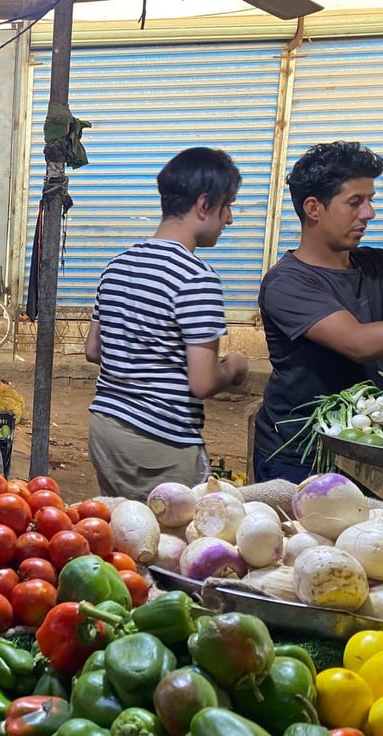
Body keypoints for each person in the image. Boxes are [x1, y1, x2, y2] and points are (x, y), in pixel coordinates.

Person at [85, 147, 249, 500]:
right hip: (161, 442)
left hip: (106, 431)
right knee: (168, 546)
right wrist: (234, 367)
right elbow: (203, 381)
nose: (230, 219)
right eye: (228, 206)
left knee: (122, 532)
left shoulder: (117, 265)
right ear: (204, 205)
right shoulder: (197, 278)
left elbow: (94, 349)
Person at [254, 142, 383, 482]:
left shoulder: (376, 265)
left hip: (365, 443)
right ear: (314, 208)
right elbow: (357, 342)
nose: (369, 213)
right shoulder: (286, 283)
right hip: (302, 456)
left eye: (371, 199)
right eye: (355, 202)